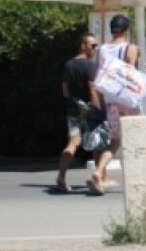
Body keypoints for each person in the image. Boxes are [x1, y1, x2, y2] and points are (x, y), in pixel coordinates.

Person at [89, 14, 141, 195]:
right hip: (127, 98)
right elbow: (130, 72)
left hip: (110, 99)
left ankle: (99, 170)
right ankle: (138, 177)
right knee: (134, 134)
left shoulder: (102, 49)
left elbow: (96, 77)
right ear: (127, 30)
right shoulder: (130, 47)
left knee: (115, 139)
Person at [56, 32, 97, 193]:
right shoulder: (90, 66)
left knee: (73, 143)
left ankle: (61, 177)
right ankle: (99, 178)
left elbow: (65, 91)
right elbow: (92, 90)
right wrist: (96, 108)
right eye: (92, 45)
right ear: (83, 45)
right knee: (98, 143)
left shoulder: (68, 65)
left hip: (74, 109)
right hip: (89, 110)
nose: (95, 48)